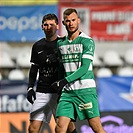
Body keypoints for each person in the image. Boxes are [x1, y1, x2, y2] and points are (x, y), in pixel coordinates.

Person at [49, 8, 106, 133]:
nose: (71, 23)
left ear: (78, 21)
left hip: (85, 90)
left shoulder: (87, 41)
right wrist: (60, 87)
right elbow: (61, 67)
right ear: (63, 23)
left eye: (73, 20)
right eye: (67, 21)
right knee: (60, 128)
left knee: (96, 127)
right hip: (67, 93)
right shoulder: (61, 43)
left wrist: (63, 81)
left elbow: (84, 68)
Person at [26, 13, 77, 133]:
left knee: (67, 128)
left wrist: (59, 59)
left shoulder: (64, 43)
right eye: (46, 25)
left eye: (51, 24)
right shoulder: (37, 46)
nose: (49, 27)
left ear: (58, 26)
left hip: (60, 92)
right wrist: (29, 88)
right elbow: (34, 68)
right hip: (42, 91)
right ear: (42, 27)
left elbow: (71, 66)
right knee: (33, 128)